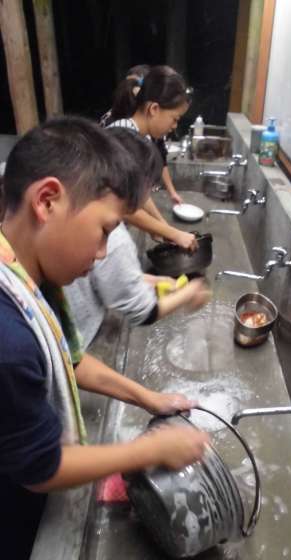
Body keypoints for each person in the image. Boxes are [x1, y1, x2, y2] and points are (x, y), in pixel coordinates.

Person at [0, 116, 208, 559]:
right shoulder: (9, 339)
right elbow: (42, 468)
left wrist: (148, 398)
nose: (100, 254)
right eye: (105, 231)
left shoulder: (21, 272)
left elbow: (69, 359)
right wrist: (148, 450)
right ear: (47, 201)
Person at [64, 127, 211, 350]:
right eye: (151, 187)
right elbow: (143, 312)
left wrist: (153, 281)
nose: (100, 252)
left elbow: (107, 276)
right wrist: (191, 291)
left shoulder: (81, 204)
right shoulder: (114, 240)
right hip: (79, 340)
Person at [106, 65, 198, 251]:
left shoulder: (142, 137)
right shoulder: (122, 137)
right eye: (175, 118)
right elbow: (121, 205)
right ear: (154, 109)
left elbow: (137, 194)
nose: (174, 126)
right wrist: (172, 233)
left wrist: (161, 225)